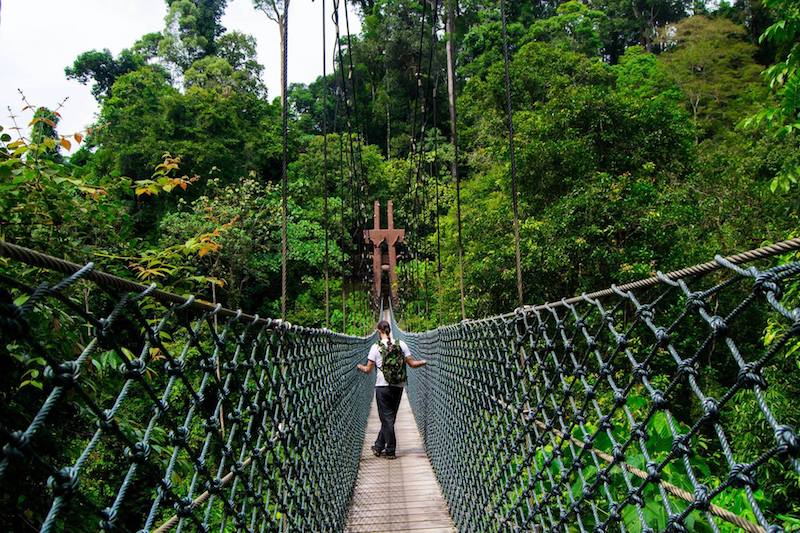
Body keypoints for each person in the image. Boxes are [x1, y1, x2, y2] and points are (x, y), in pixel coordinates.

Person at [356, 320, 426, 459]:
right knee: (389, 418)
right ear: (390, 330)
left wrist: (359, 366)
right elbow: (412, 364)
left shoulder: (375, 347)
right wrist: (425, 361)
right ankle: (378, 446)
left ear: (378, 331)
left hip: (382, 386)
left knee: (387, 419)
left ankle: (391, 450)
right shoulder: (401, 344)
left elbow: (368, 370)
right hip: (398, 386)